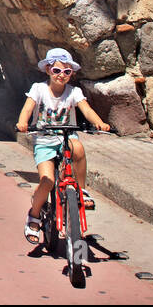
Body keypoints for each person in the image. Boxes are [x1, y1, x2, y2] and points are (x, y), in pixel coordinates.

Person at [17, 48, 111, 243]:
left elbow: (86, 109)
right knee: (47, 180)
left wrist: (99, 123)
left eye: (67, 72)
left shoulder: (74, 92)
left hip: (65, 137)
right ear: (48, 70)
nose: (62, 76)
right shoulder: (39, 89)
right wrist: (23, 122)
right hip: (44, 140)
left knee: (78, 148)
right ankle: (33, 216)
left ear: (71, 74)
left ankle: (81, 190)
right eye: (57, 71)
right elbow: (28, 108)